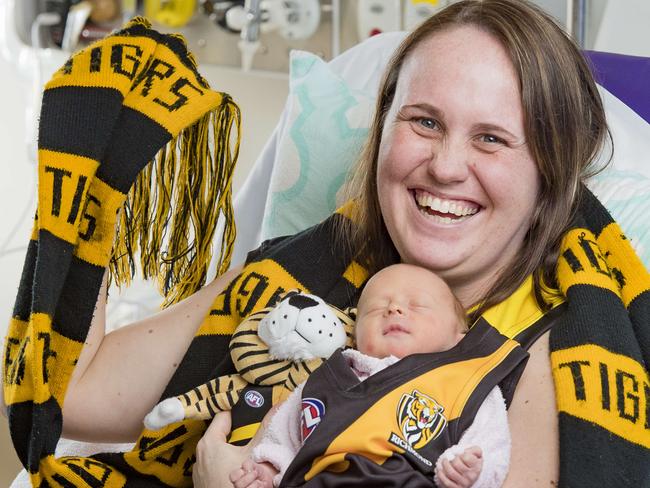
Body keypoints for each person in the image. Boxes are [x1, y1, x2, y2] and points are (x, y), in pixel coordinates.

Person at [6, 0, 647, 487]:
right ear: (382, 133)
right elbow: (75, 394)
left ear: (549, 172)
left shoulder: (541, 359)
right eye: (424, 122)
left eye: (492, 139)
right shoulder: (297, 279)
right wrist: (92, 172)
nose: (447, 168)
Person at [229, 263, 525, 488]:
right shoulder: (331, 376)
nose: (394, 308)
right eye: (375, 309)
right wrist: (267, 468)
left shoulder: (465, 382)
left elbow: (492, 445)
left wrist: (471, 471)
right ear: (355, 337)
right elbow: (285, 435)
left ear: (460, 338)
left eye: (417, 305)